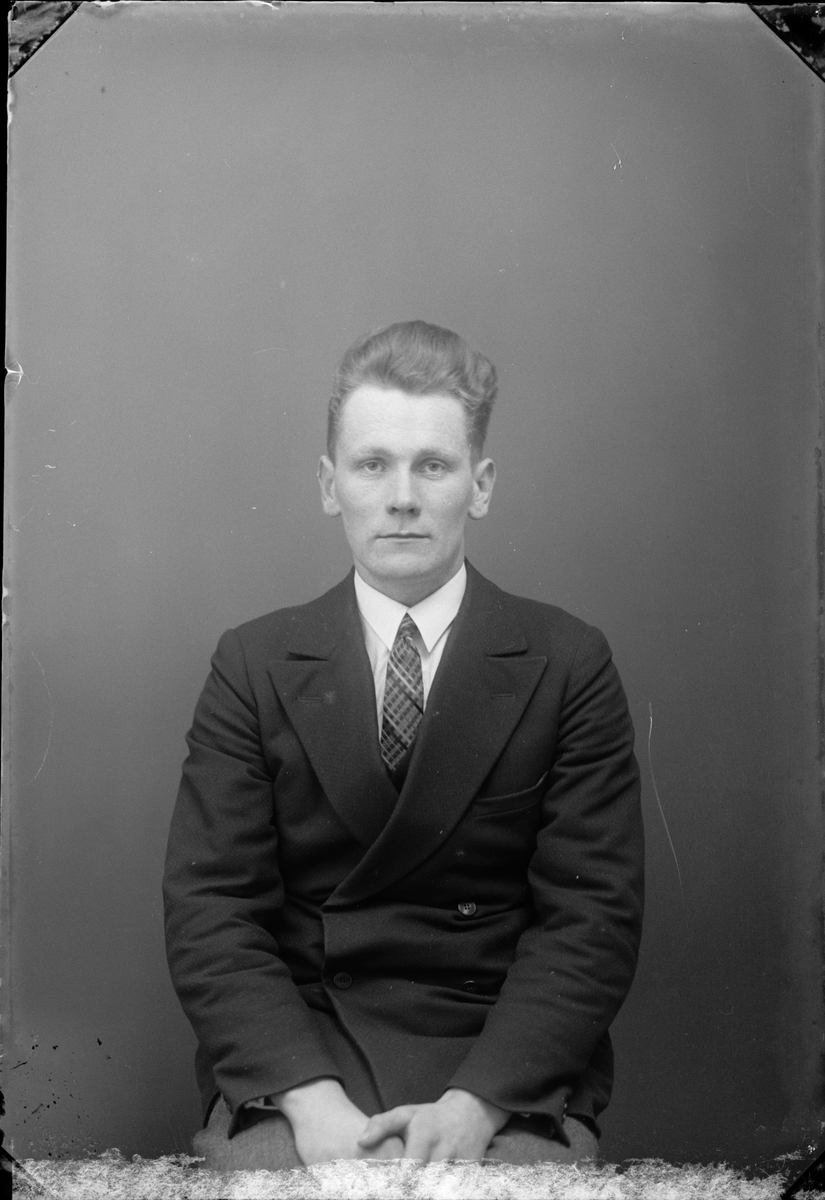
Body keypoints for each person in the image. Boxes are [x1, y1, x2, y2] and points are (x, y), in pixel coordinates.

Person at [163, 320, 644, 1170]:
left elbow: (591, 919)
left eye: (432, 465)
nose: (401, 498)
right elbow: (212, 911)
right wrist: (308, 1100)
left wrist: (477, 1104)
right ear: (330, 484)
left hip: (497, 1062)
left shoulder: (568, 661)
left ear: (479, 485)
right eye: (371, 465)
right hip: (305, 1055)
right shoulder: (253, 662)